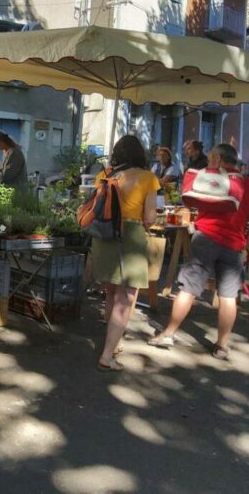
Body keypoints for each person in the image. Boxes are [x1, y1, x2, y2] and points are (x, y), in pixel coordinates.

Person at [148, 144, 249, 361]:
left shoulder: (209, 179)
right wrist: (246, 243)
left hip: (206, 239)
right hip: (234, 244)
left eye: (211, 159)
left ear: (219, 159)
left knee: (188, 289)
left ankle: (168, 334)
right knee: (228, 296)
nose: (209, 162)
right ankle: (221, 346)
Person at [92, 135, 160, 371]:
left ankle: (113, 342)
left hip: (104, 235)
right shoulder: (148, 178)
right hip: (129, 237)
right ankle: (107, 355)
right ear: (140, 154)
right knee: (127, 297)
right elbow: (150, 218)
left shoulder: (105, 175)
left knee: (111, 292)